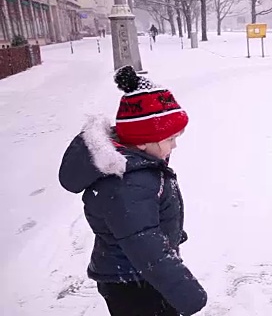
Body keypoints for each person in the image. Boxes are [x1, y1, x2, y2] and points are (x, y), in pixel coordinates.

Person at [58, 66, 207, 316]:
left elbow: (143, 229)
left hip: (136, 274)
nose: (175, 145)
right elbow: (144, 244)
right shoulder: (129, 183)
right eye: (170, 139)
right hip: (133, 283)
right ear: (142, 141)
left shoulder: (139, 166)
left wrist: (170, 234)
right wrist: (188, 294)